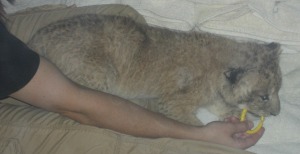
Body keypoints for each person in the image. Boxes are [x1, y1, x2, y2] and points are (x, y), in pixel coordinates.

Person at [0, 0, 264, 150]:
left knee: (121, 17)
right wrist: (199, 134)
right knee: (129, 140)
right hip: (22, 81)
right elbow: (78, 105)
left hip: (17, 49)